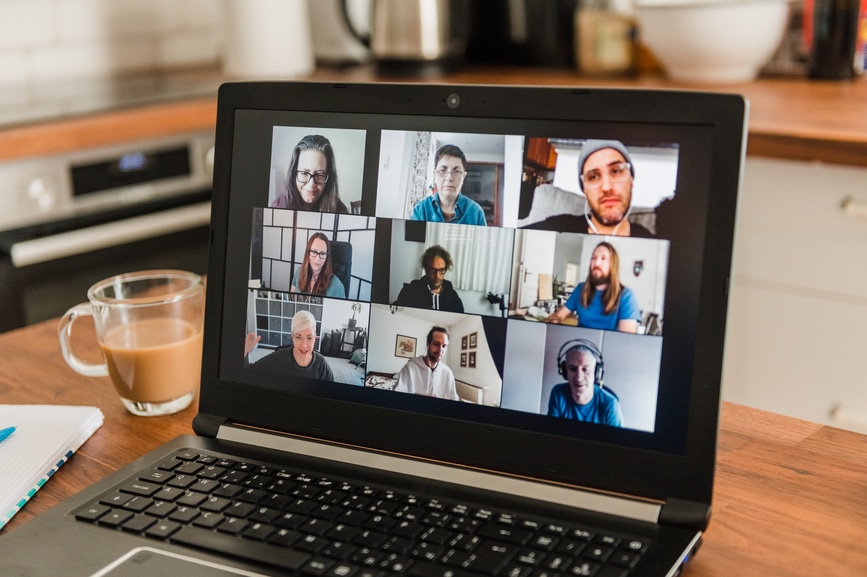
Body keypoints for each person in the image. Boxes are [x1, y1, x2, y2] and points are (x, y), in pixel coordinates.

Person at [523, 139, 653, 237]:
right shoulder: (559, 227)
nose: (607, 187)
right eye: (593, 177)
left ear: (631, 180)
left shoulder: (649, 238)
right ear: (584, 190)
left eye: (616, 171)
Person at [545, 241, 640, 333]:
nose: (596, 263)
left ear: (613, 265)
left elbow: (626, 341)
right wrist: (552, 322)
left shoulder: (626, 296)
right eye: (594, 258)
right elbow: (560, 315)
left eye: (603, 258)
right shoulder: (580, 289)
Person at [547, 339, 622, 426]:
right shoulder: (558, 393)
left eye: (585, 369)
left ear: (596, 373)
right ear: (564, 371)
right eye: (572, 369)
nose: (579, 377)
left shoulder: (611, 406)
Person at [243, 311, 334, 380]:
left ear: (315, 338)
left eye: (309, 338)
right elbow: (248, 374)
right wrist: (244, 351)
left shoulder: (321, 364)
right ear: (292, 337)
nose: (304, 344)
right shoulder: (278, 357)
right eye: (298, 337)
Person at [410, 144, 487, 226]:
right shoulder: (421, 209)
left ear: (463, 177)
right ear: (435, 175)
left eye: (456, 171)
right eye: (443, 170)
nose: (449, 178)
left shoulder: (476, 212)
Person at [271, 134, 349, 213]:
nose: (311, 185)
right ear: (294, 173)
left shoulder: (340, 211)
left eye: (320, 174)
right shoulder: (277, 208)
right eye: (304, 173)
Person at [396, 326, 459, 401]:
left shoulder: (448, 373)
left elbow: (454, 401)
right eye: (436, 344)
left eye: (444, 346)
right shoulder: (410, 368)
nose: (440, 350)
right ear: (428, 344)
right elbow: (397, 399)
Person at [394, 245, 464, 313]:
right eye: (433, 270)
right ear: (426, 269)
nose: (437, 276)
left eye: (441, 270)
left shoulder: (453, 296)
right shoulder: (409, 291)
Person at [292, 232, 346, 298]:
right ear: (308, 253)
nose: (317, 259)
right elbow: (291, 298)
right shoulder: (299, 271)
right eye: (314, 252)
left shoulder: (337, 286)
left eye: (323, 253)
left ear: (327, 257)